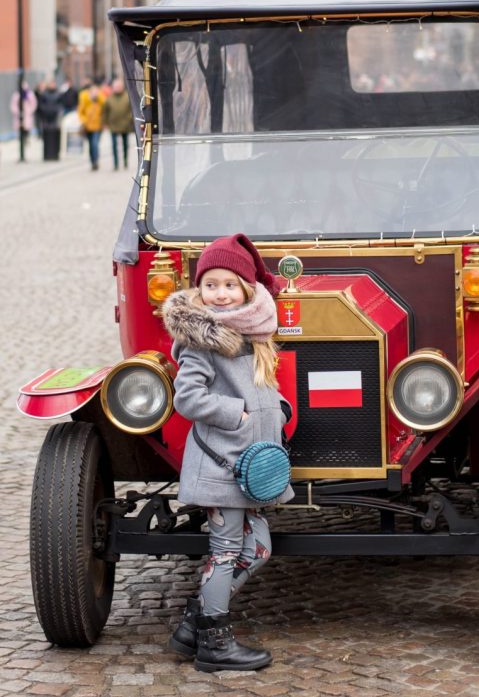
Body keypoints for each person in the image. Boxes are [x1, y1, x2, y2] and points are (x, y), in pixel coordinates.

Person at [162, 234, 293, 673]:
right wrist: (236, 414)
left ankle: (190, 628)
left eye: (229, 285)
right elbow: (188, 398)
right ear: (199, 291)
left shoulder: (253, 334)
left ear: (247, 290)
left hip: (247, 466)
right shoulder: (203, 340)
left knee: (258, 548)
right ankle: (214, 642)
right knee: (224, 551)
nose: (220, 293)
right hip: (221, 463)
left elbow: (256, 387)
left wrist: (274, 409)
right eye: (211, 285)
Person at [102, 78, 133, 170]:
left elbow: (131, 110)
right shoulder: (109, 99)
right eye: (116, 86)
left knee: (125, 145)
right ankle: (116, 164)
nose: (117, 88)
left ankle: (125, 161)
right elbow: (105, 112)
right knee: (114, 145)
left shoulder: (127, 97)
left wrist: (129, 120)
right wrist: (105, 123)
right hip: (113, 125)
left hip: (125, 125)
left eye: (119, 86)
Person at [77, 82, 105, 170]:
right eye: (92, 91)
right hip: (87, 126)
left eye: (95, 91)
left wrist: (98, 96)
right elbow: (80, 112)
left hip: (97, 126)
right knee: (90, 145)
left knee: (95, 143)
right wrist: (84, 121)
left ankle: (96, 161)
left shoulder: (100, 100)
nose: (94, 93)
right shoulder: (85, 100)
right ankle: (92, 161)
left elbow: (105, 106)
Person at [36, 78, 64, 161]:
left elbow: (60, 105)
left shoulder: (58, 94)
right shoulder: (44, 94)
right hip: (46, 119)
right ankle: (47, 155)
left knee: (56, 137)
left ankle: (55, 154)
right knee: (47, 137)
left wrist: (55, 111)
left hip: (55, 119)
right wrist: (46, 111)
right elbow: (41, 105)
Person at [10, 81, 37, 147]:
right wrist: (16, 111)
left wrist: (30, 110)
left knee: (27, 127)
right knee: (20, 127)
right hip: (19, 114)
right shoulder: (17, 95)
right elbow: (13, 104)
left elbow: (34, 104)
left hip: (27, 114)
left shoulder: (30, 94)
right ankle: (21, 140)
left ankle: (26, 139)